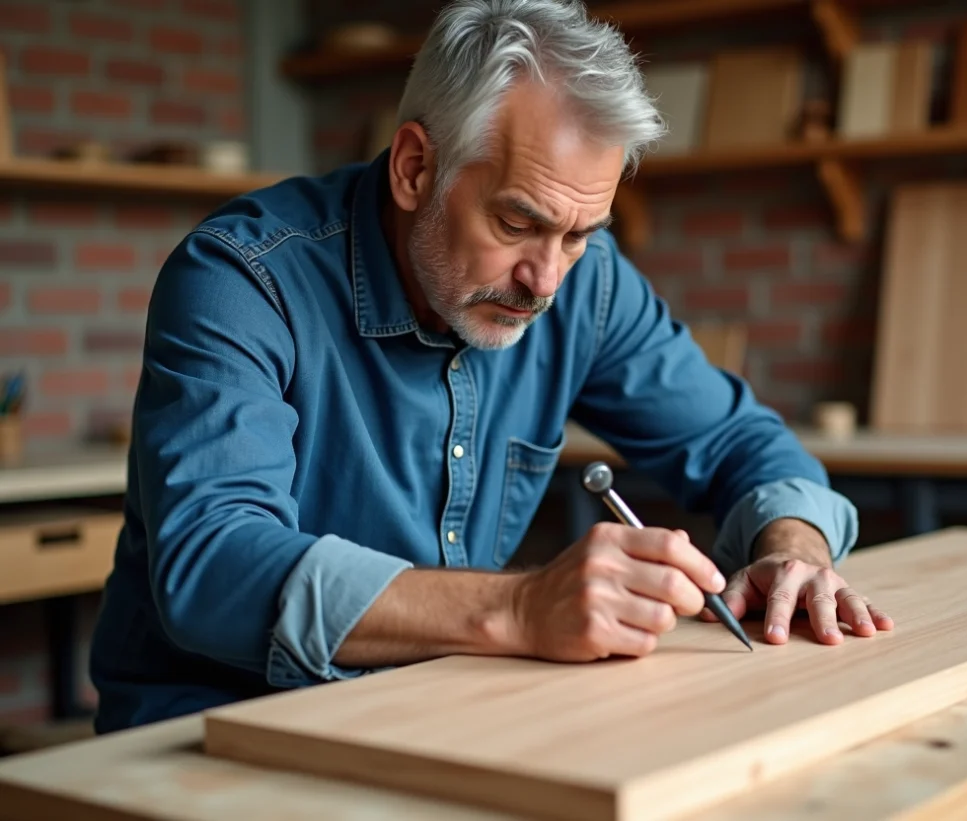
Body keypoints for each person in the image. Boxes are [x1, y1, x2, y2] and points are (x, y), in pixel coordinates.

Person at [89, 0, 892, 734]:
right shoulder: (242, 278)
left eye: (580, 234)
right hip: (207, 737)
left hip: (432, 716)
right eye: (518, 221)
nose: (546, 280)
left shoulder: (588, 284)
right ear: (414, 168)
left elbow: (744, 443)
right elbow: (213, 565)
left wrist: (797, 551)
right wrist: (517, 607)